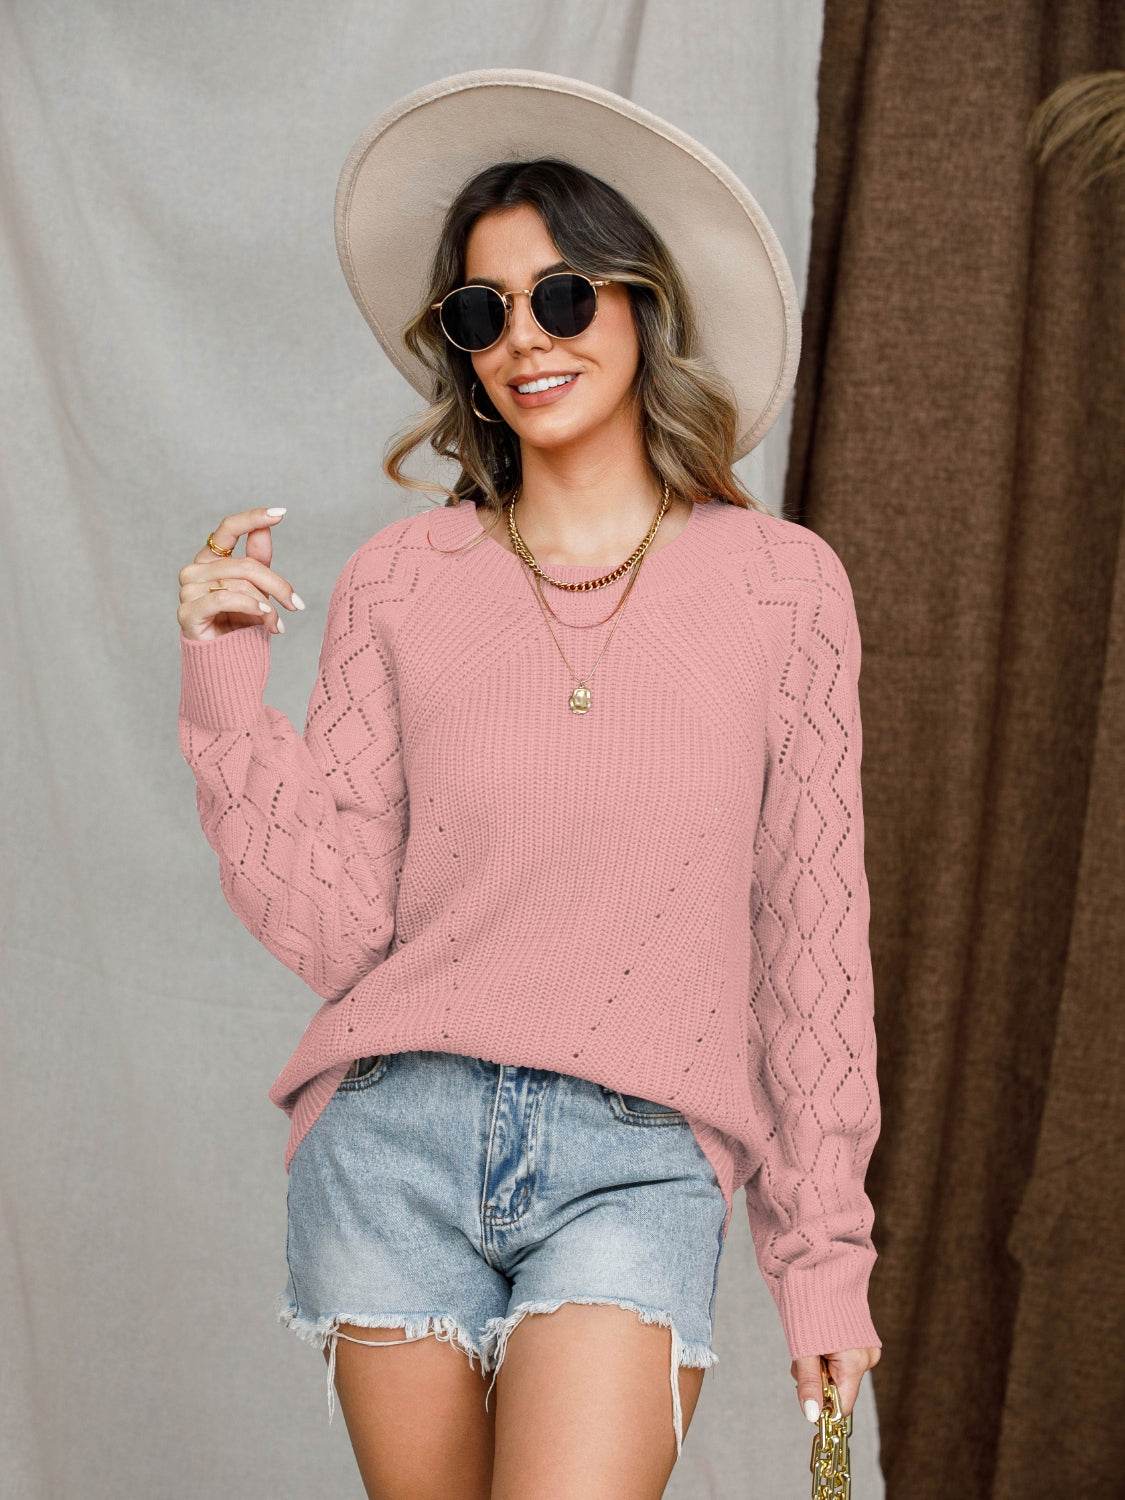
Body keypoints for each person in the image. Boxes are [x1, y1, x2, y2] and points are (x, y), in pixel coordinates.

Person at [175, 69, 882, 1499]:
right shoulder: (402, 579)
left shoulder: (781, 587)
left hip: (639, 1152)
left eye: (561, 296)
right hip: (395, 1143)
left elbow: (812, 938)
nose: (523, 340)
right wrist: (225, 693)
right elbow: (339, 930)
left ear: (639, 306)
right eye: (479, 312)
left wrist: (823, 1260)